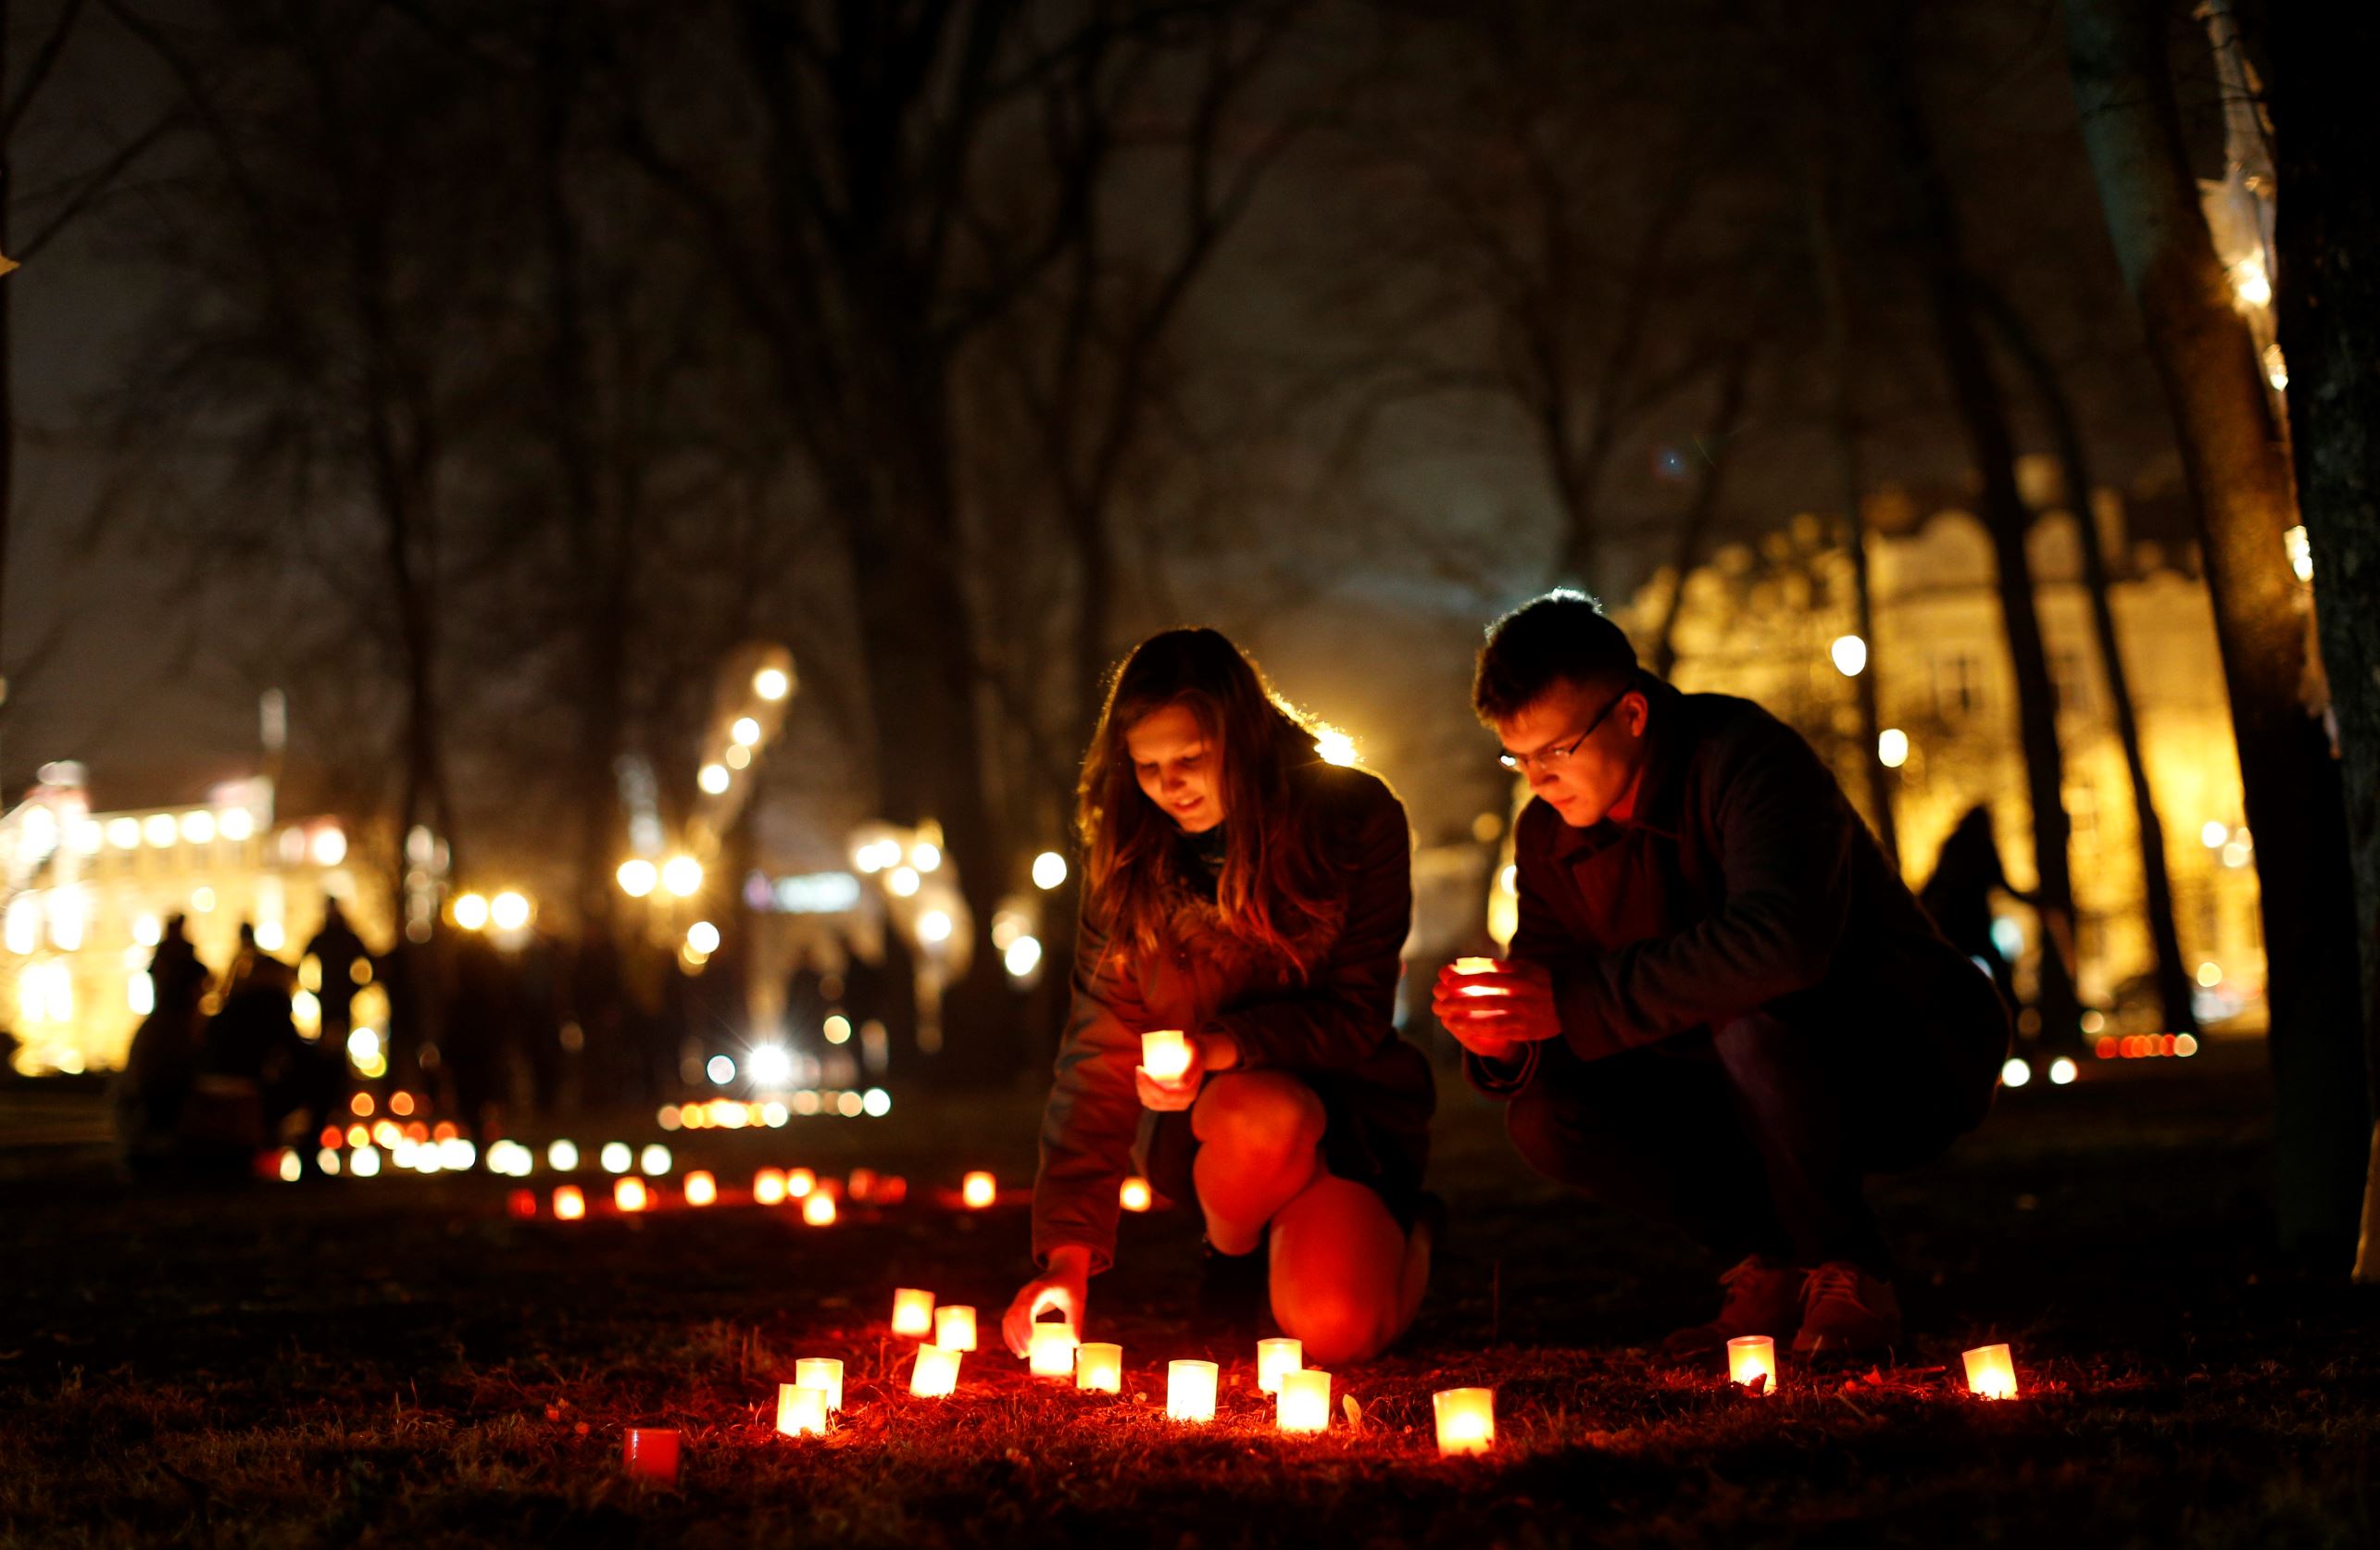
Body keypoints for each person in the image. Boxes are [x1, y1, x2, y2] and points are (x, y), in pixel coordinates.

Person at [1434, 592, 2009, 1356]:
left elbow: (1782, 943)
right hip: (1711, 1076)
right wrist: (1505, 1035)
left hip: (1896, 1045)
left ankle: (1849, 1270)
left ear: (1632, 716)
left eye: (1556, 751)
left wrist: (1571, 1001)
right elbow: (1557, 984)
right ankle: (1765, 1266)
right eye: (1519, 756)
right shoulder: (1548, 835)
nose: (1537, 779)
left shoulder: (1744, 758)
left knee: (1750, 1007)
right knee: (1546, 1117)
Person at [1003, 628, 1435, 1366]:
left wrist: (1219, 1044)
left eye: (1192, 760)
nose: (1169, 788)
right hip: (1224, 1132)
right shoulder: (1131, 863)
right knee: (1257, 1108)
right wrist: (1067, 1258)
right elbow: (1098, 1048)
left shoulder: (1353, 820)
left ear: (1246, 738)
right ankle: (1230, 1264)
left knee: (1336, 1330)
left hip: (1347, 1115)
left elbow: (1358, 1012)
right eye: (1146, 766)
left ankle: (1412, 1236)